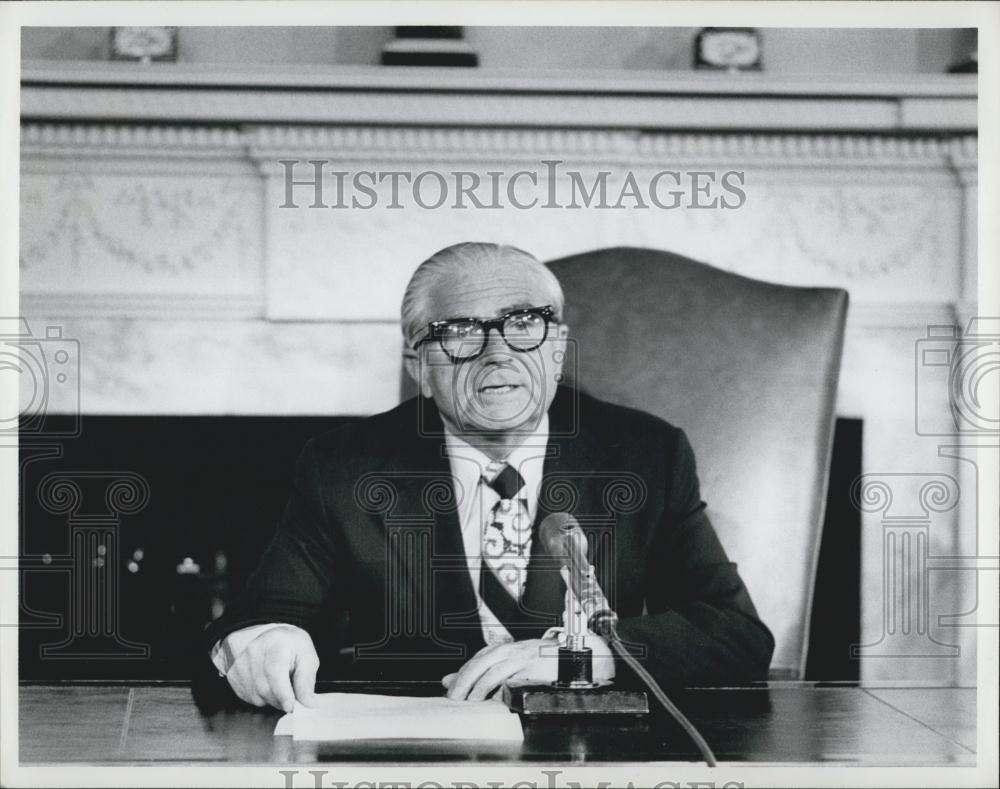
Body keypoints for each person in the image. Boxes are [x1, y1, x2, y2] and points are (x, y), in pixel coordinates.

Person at [203, 242, 774, 712]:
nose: (497, 353)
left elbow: (737, 636)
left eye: (524, 324)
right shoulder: (344, 466)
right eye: (458, 332)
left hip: (586, 759)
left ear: (557, 349)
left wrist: (581, 655)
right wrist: (260, 646)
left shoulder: (645, 456)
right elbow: (254, 624)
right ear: (419, 370)